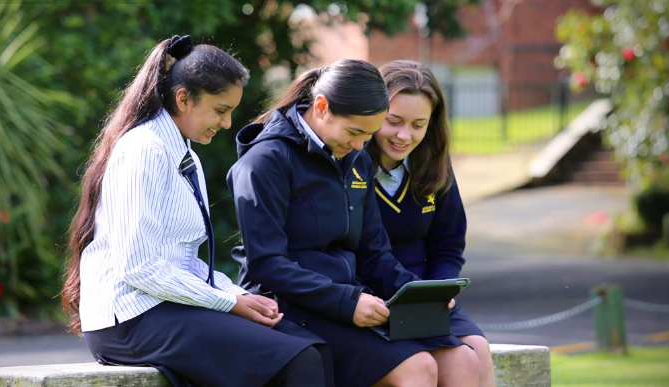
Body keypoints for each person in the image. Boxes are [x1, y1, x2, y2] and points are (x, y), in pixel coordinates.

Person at [60, 35, 331, 387]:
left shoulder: (186, 155)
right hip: (127, 321)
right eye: (221, 110)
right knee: (298, 361)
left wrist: (234, 293)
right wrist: (225, 302)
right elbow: (139, 267)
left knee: (313, 347)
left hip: (164, 307)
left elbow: (182, 262)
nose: (228, 123)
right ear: (183, 98)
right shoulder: (143, 150)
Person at [228, 59, 479, 387]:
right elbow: (267, 265)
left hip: (350, 299)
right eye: (355, 132)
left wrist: (420, 295)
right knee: (418, 368)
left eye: (369, 135)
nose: (362, 146)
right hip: (287, 307)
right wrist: (347, 303)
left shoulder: (355, 158)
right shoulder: (265, 161)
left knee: (463, 359)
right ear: (321, 107)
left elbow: (374, 253)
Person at [367, 60, 496, 387]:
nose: (403, 135)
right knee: (439, 363)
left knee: (477, 348)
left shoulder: (435, 165)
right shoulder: (351, 166)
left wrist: (441, 290)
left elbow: (448, 244)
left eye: (418, 125)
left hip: (425, 297)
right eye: (393, 121)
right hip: (371, 298)